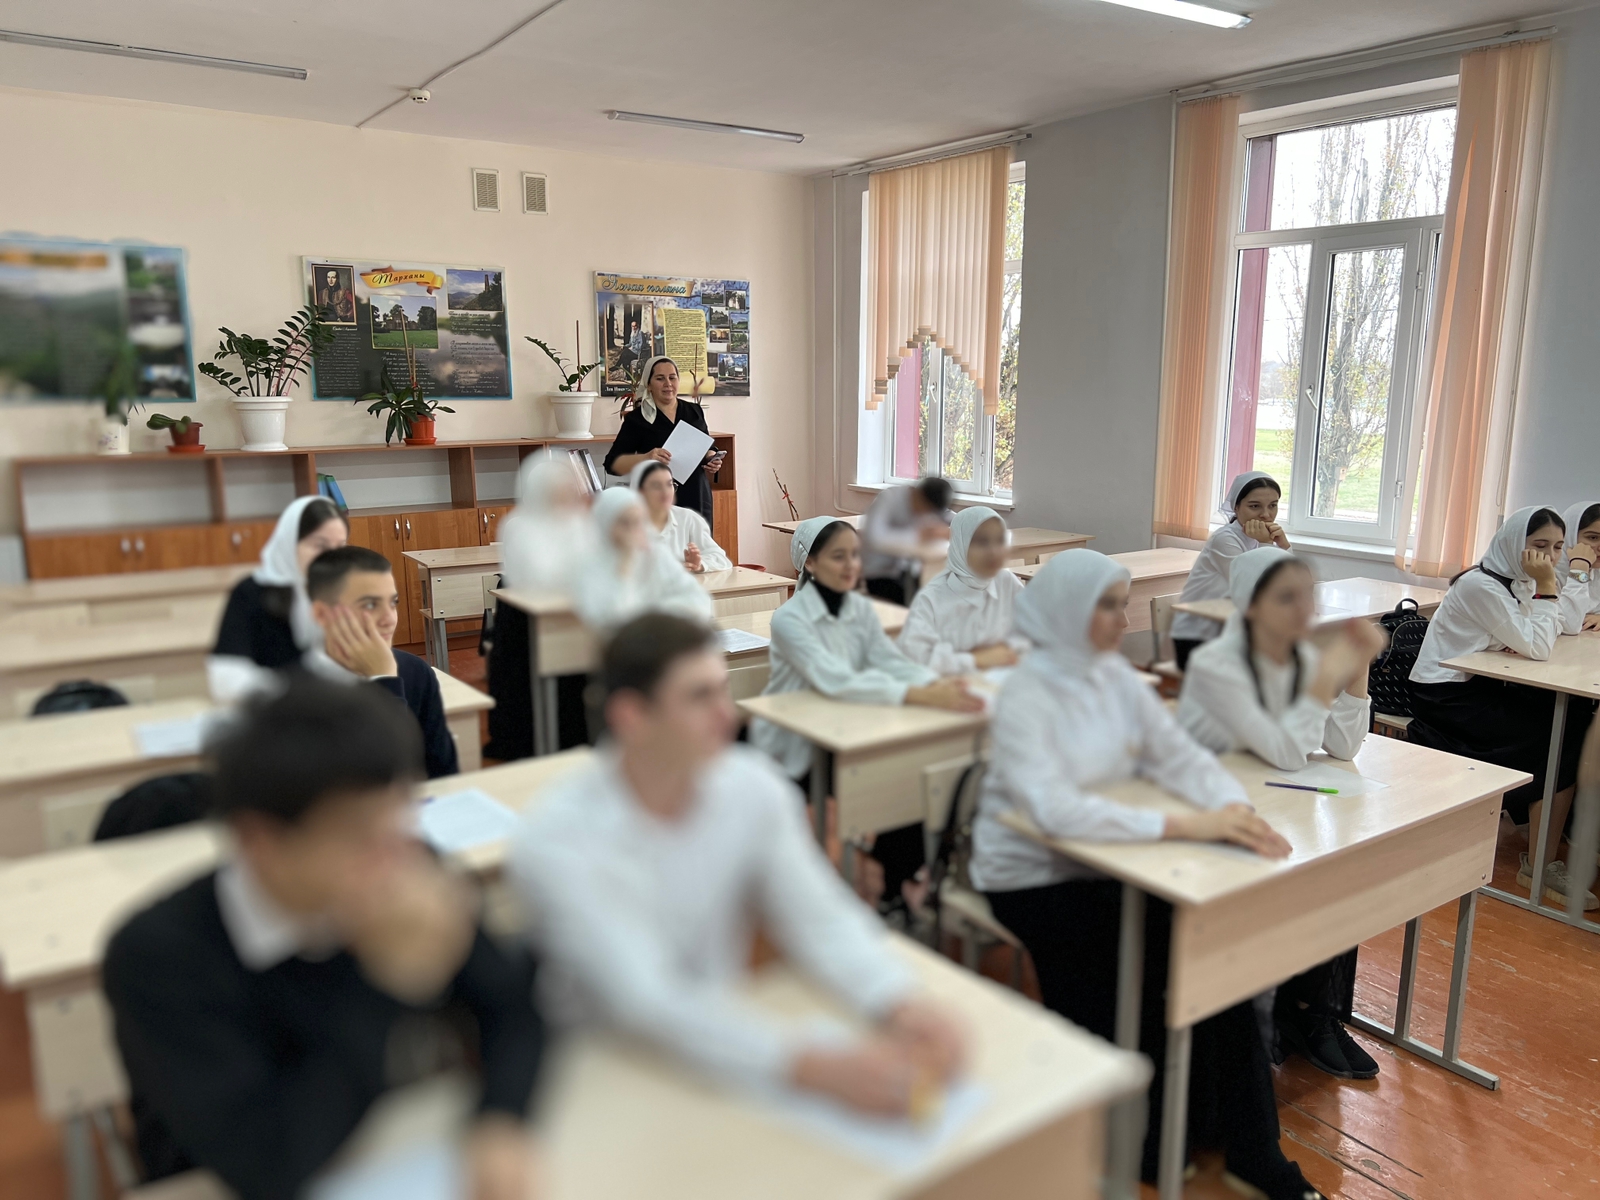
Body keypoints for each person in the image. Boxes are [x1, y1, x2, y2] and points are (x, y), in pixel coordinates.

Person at [969, 549, 1324, 1200]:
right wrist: (1186, 825)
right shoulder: (1025, 693)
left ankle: (1253, 1152)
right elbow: (1053, 811)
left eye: (1123, 602)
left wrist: (1233, 809)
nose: (1121, 618)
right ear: (1066, 611)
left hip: (1118, 862)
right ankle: (1153, 1138)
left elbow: (1179, 757)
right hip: (1034, 878)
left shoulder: (1116, 679)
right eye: (1107, 605)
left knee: (1218, 963)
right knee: (1126, 996)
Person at [103, 677, 543, 1200]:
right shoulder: (159, 956)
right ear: (260, 840)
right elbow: (267, 1164)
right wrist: (387, 982)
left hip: (396, 1153)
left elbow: (512, 1009)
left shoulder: (404, 861)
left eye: (398, 820)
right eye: (359, 836)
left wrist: (501, 1117)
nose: (394, 859)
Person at [510, 614, 966, 1112]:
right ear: (632, 716)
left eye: (723, 691)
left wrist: (896, 999)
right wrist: (810, 1066)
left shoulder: (751, 787)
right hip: (601, 1071)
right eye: (699, 697)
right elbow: (646, 997)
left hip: (720, 1048)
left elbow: (820, 915)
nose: (727, 715)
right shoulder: (558, 839)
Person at [1177, 547, 1387, 1081]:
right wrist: (1325, 679)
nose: (1304, 609)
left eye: (1307, 595)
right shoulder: (1218, 664)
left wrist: (1356, 671)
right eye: (1286, 597)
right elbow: (1290, 753)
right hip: (1212, 814)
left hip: (1275, 799)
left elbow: (1343, 746)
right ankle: (1290, 1014)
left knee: (1343, 864)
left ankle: (1317, 1014)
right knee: (1305, 873)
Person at [750, 517, 981, 916]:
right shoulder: (789, 618)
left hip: (849, 721)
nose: (851, 566)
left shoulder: (859, 609)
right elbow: (834, 679)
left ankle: (894, 879)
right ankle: (878, 883)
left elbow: (890, 661)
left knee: (919, 776)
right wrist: (917, 694)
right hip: (797, 737)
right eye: (837, 556)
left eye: (855, 555)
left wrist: (936, 684)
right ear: (810, 563)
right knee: (893, 777)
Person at [1408, 505, 1597, 910]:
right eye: (1539, 545)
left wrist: (1557, 586)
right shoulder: (1482, 585)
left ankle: (1539, 830)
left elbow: (1563, 625)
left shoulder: (1519, 580)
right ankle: (1540, 862)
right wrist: (1546, 589)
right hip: (1446, 694)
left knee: (1575, 718)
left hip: (1483, 681)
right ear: (1515, 543)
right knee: (1560, 739)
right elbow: (1540, 644)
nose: (1549, 556)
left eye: (1558, 547)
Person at [305, 545, 459, 779]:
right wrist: (384, 678)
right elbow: (381, 780)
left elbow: (443, 772)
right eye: (370, 605)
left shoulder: (415, 671)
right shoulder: (294, 691)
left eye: (393, 603)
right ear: (322, 614)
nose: (389, 619)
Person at [488, 453, 598, 759]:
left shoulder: (580, 523)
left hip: (575, 615)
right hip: (527, 619)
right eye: (560, 487)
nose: (569, 493)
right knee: (532, 691)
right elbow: (538, 576)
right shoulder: (519, 525)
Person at [210, 496, 348, 700]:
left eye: (340, 547)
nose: (333, 558)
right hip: (270, 711)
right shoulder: (251, 592)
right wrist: (291, 688)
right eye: (320, 546)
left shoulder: (345, 592)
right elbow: (225, 678)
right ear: (289, 543)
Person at [1170, 471, 1292, 670]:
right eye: (1255, 506)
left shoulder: (1263, 536)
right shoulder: (1225, 539)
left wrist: (1284, 547)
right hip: (1200, 635)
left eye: (1273, 505)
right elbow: (1255, 591)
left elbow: (1292, 584)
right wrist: (1266, 544)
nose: (1266, 514)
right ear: (1236, 507)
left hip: (1234, 630)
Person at [898, 506, 1029, 675]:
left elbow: (1034, 631)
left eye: (1000, 541)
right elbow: (915, 658)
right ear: (961, 545)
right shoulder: (931, 599)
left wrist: (1008, 649)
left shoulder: (1007, 582)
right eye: (982, 542)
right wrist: (975, 659)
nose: (994, 552)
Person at [603, 355, 726, 527]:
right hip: (658, 501)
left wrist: (711, 457)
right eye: (660, 378)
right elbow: (612, 465)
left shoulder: (694, 411)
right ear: (649, 384)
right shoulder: (637, 420)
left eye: (672, 377)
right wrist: (646, 457)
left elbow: (706, 446)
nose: (668, 383)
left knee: (698, 543)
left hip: (697, 497)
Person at [573, 487, 715, 631]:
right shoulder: (586, 565)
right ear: (604, 524)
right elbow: (595, 619)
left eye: (637, 521)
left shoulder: (656, 555)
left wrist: (658, 615)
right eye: (624, 522)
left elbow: (699, 600)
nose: (632, 530)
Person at [860, 477, 953, 606]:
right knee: (917, 601)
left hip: (909, 569)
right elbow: (874, 538)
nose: (924, 513)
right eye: (924, 508)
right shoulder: (888, 498)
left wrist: (949, 529)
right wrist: (919, 535)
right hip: (880, 572)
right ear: (916, 493)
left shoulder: (930, 504)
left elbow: (949, 517)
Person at [629, 458, 731, 573]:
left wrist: (699, 565)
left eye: (669, 484)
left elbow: (720, 558)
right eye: (656, 486)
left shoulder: (688, 518)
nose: (666, 492)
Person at [1559, 500, 1600, 633]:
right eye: (1593, 538)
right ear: (1568, 536)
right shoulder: (1546, 571)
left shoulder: (1597, 570)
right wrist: (1579, 568)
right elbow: (1569, 624)